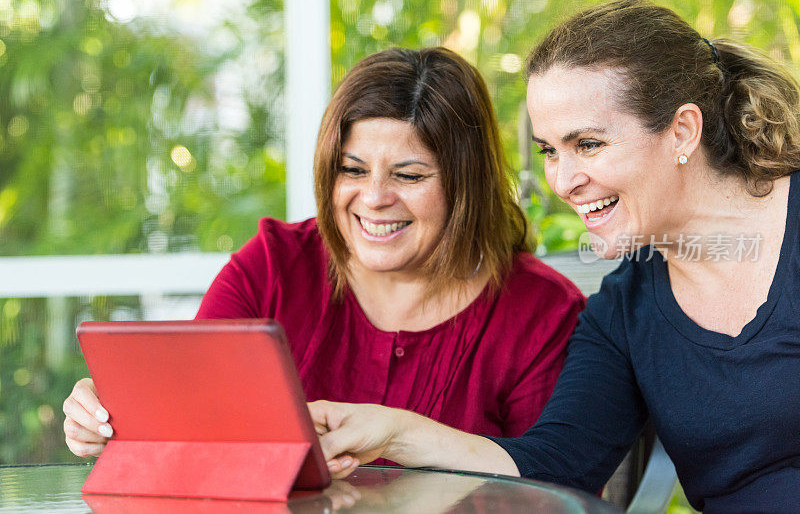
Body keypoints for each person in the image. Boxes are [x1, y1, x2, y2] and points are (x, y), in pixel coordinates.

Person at [309, 0, 800, 513]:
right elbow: (554, 467)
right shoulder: (623, 312)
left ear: (682, 130)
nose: (564, 182)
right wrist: (395, 434)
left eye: (587, 144)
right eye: (549, 151)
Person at [62, 48, 585, 461]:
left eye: (409, 175)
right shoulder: (272, 266)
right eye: (352, 170)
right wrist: (113, 411)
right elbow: (188, 414)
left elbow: (550, 485)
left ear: (466, 184)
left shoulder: (541, 310)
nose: (375, 197)